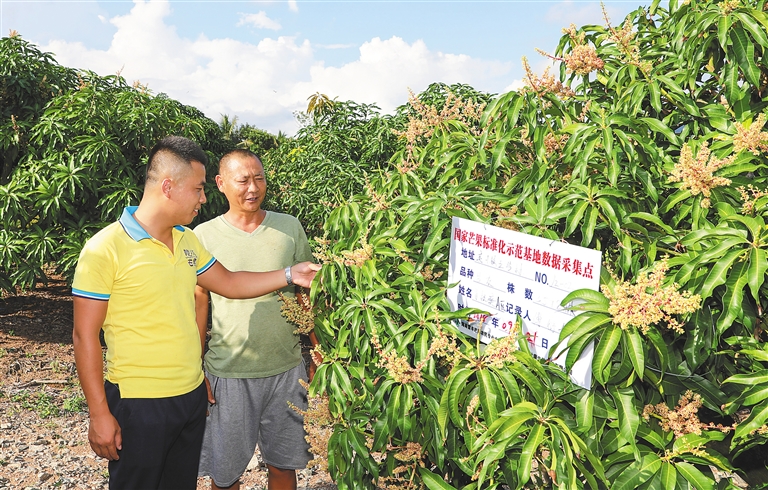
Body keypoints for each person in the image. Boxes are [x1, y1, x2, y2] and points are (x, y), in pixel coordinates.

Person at [71, 136, 320, 490]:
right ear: (168, 187)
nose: (204, 199)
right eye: (199, 189)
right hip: (139, 401)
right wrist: (99, 413)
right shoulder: (104, 248)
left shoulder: (187, 241)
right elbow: (84, 336)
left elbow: (229, 282)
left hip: (189, 397)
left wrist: (290, 273)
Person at [194, 149, 316, 490]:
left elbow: (306, 292)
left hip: (286, 369)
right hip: (229, 371)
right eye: (243, 180)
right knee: (225, 474)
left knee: (284, 465)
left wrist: (318, 347)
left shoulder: (288, 227)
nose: (253, 188)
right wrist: (195, 365)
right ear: (220, 183)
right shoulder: (202, 236)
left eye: (259, 179)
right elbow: (198, 302)